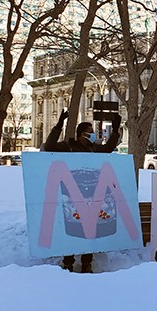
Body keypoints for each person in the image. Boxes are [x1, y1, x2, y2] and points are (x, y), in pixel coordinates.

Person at [40, 109, 122, 273]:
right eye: (90, 132)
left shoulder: (94, 149)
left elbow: (109, 148)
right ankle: (68, 262)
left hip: (91, 195)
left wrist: (115, 130)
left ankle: (87, 263)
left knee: (90, 230)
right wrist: (59, 125)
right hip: (70, 196)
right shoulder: (67, 146)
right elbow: (48, 147)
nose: (92, 135)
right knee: (72, 228)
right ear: (81, 134)